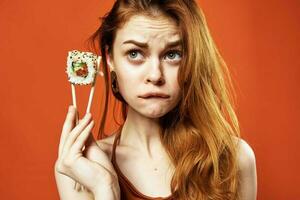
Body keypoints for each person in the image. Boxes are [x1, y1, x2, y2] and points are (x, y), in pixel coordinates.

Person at [54, 0, 257, 199]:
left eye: (172, 54)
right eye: (134, 53)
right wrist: (104, 187)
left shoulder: (235, 160)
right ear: (110, 58)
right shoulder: (80, 169)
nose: (155, 75)